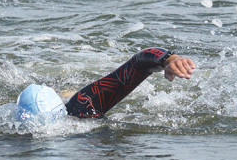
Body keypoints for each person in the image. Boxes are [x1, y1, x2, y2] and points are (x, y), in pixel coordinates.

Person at [15, 47, 196, 123]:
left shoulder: (81, 107)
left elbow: (139, 62)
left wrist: (171, 59)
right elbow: (140, 61)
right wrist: (169, 59)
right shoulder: (82, 109)